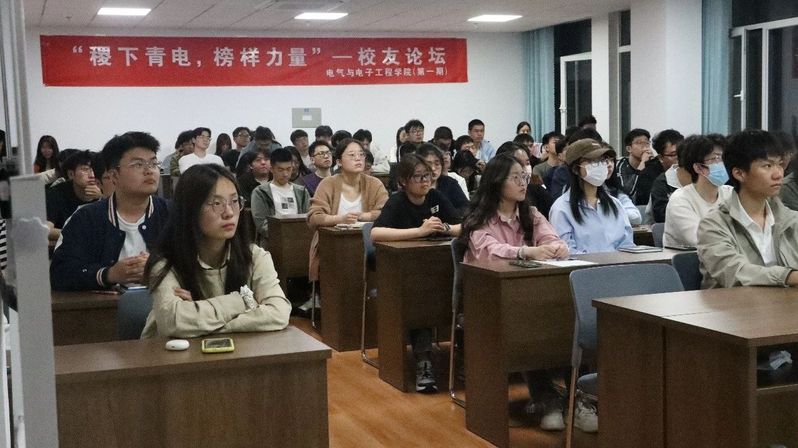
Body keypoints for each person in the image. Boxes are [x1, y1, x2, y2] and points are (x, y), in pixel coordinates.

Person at [460, 154, 569, 431]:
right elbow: (488, 252)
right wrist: (525, 252)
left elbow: (551, 238)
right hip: (488, 300)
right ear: (497, 182)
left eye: (524, 176)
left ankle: (577, 396)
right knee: (526, 326)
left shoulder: (530, 214)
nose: (523, 183)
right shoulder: (479, 218)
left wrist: (557, 248)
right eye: (516, 177)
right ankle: (548, 398)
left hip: (530, 295)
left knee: (565, 319)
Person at [140, 164, 291, 338]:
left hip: (234, 350)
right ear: (190, 209)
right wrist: (243, 301)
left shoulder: (255, 256)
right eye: (217, 203)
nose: (229, 213)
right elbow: (173, 322)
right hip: (166, 353)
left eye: (235, 201)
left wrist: (198, 320)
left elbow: (279, 312)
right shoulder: (165, 263)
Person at [371, 153, 461, 393]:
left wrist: (445, 227)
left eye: (428, 176)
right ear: (403, 181)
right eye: (418, 177)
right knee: (420, 301)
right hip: (403, 275)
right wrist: (419, 231)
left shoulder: (436, 197)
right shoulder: (397, 202)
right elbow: (376, 234)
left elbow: (463, 226)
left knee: (460, 295)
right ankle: (424, 360)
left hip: (436, 268)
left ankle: (464, 356)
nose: (425, 181)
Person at [50, 132, 169, 291]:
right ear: (114, 176)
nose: (150, 171)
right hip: (106, 306)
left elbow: (195, 266)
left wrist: (159, 268)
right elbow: (60, 274)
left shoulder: (173, 213)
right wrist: (109, 274)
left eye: (154, 163)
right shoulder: (86, 218)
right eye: (138, 165)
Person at [697, 129, 798, 289]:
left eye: (780, 164)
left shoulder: (791, 220)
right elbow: (735, 272)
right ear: (739, 173)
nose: (778, 174)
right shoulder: (714, 225)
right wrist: (788, 276)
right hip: (734, 303)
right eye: (767, 166)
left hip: (784, 302)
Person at [305, 139, 389, 308]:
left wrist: (364, 216)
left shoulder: (374, 184)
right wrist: (339, 219)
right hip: (333, 247)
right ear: (338, 161)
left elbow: (386, 212)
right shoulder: (328, 184)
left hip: (368, 245)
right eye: (352, 155)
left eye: (361, 155)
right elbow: (314, 217)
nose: (358, 158)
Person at [549, 139, 633, 254]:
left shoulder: (615, 204)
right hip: (584, 265)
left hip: (619, 264)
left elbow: (627, 245)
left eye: (602, 160)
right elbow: (568, 252)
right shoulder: (561, 209)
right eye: (592, 161)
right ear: (575, 169)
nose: (601, 165)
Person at [664, 134, 733, 248]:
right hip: (691, 258)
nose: (723, 164)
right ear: (698, 167)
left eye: (724, 158)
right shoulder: (680, 199)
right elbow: (700, 239)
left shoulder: (730, 193)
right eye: (716, 158)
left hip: (729, 255)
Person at [251, 148, 311, 239]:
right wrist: (285, 236)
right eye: (280, 170)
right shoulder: (260, 192)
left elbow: (308, 218)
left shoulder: (301, 191)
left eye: (288, 169)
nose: (285, 174)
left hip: (300, 238)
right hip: (273, 240)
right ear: (271, 169)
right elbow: (262, 224)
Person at [45, 150, 103, 233]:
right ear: (71, 174)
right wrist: (76, 235)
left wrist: (103, 198)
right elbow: (46, 230)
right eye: (85, 169)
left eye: (96, 169)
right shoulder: (55, 194)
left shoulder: (106, 189)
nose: (92, 175)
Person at [496, 142, 553, 218]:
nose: (525, 169)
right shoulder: (490, 203)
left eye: (527, 163)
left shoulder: (538, 191)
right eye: (519, 164)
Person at [630, 129, 684, 206]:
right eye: (673, 154)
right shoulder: (648, 176)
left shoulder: (690, 170)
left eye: (682, 153)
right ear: (660, 158)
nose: (679, 158)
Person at [416, 144, 469, 211]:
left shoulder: (450, 183)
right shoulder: (414, 185)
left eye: (437, 164)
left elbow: (465, 208)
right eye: (428, 164)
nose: (433, 168)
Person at [613, 128, 653, 203]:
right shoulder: (620, 165)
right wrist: (642, 164)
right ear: (629, 149)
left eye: (647, 143)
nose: (644, 146)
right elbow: (628, 191)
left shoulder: (652, 164)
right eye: (639, 143)